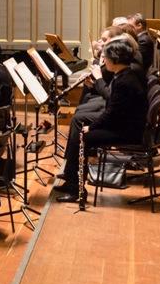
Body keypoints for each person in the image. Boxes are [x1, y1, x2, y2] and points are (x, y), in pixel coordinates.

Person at [55, 38, 148, 203]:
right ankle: (71, 178)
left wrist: (92, 128)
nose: (103, 60)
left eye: (105, 57)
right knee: (79, 123)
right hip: (124, 123)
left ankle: (76, 189)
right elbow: (114, 107)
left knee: (85, 136)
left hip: (127, 130)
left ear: (115, 59)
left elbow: (112, 112)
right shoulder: (124, 74)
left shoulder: (125, 80)